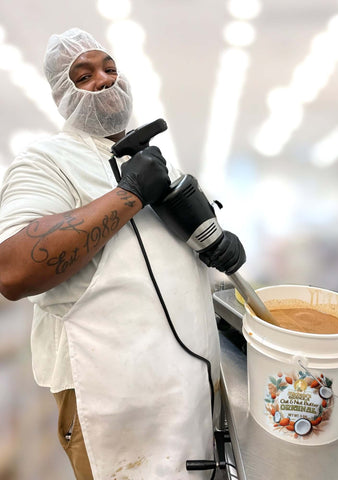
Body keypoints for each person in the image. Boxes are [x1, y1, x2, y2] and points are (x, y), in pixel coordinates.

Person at [0, 28, 246, 480]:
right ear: (61, 93)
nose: (105, 79)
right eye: (85, 74)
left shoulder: (155, 162)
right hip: (112, 402)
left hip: (188, 390)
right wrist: (129, 193)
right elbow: (14, 269)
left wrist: (214, 242)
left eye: (110, 68)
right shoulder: (46, 162)